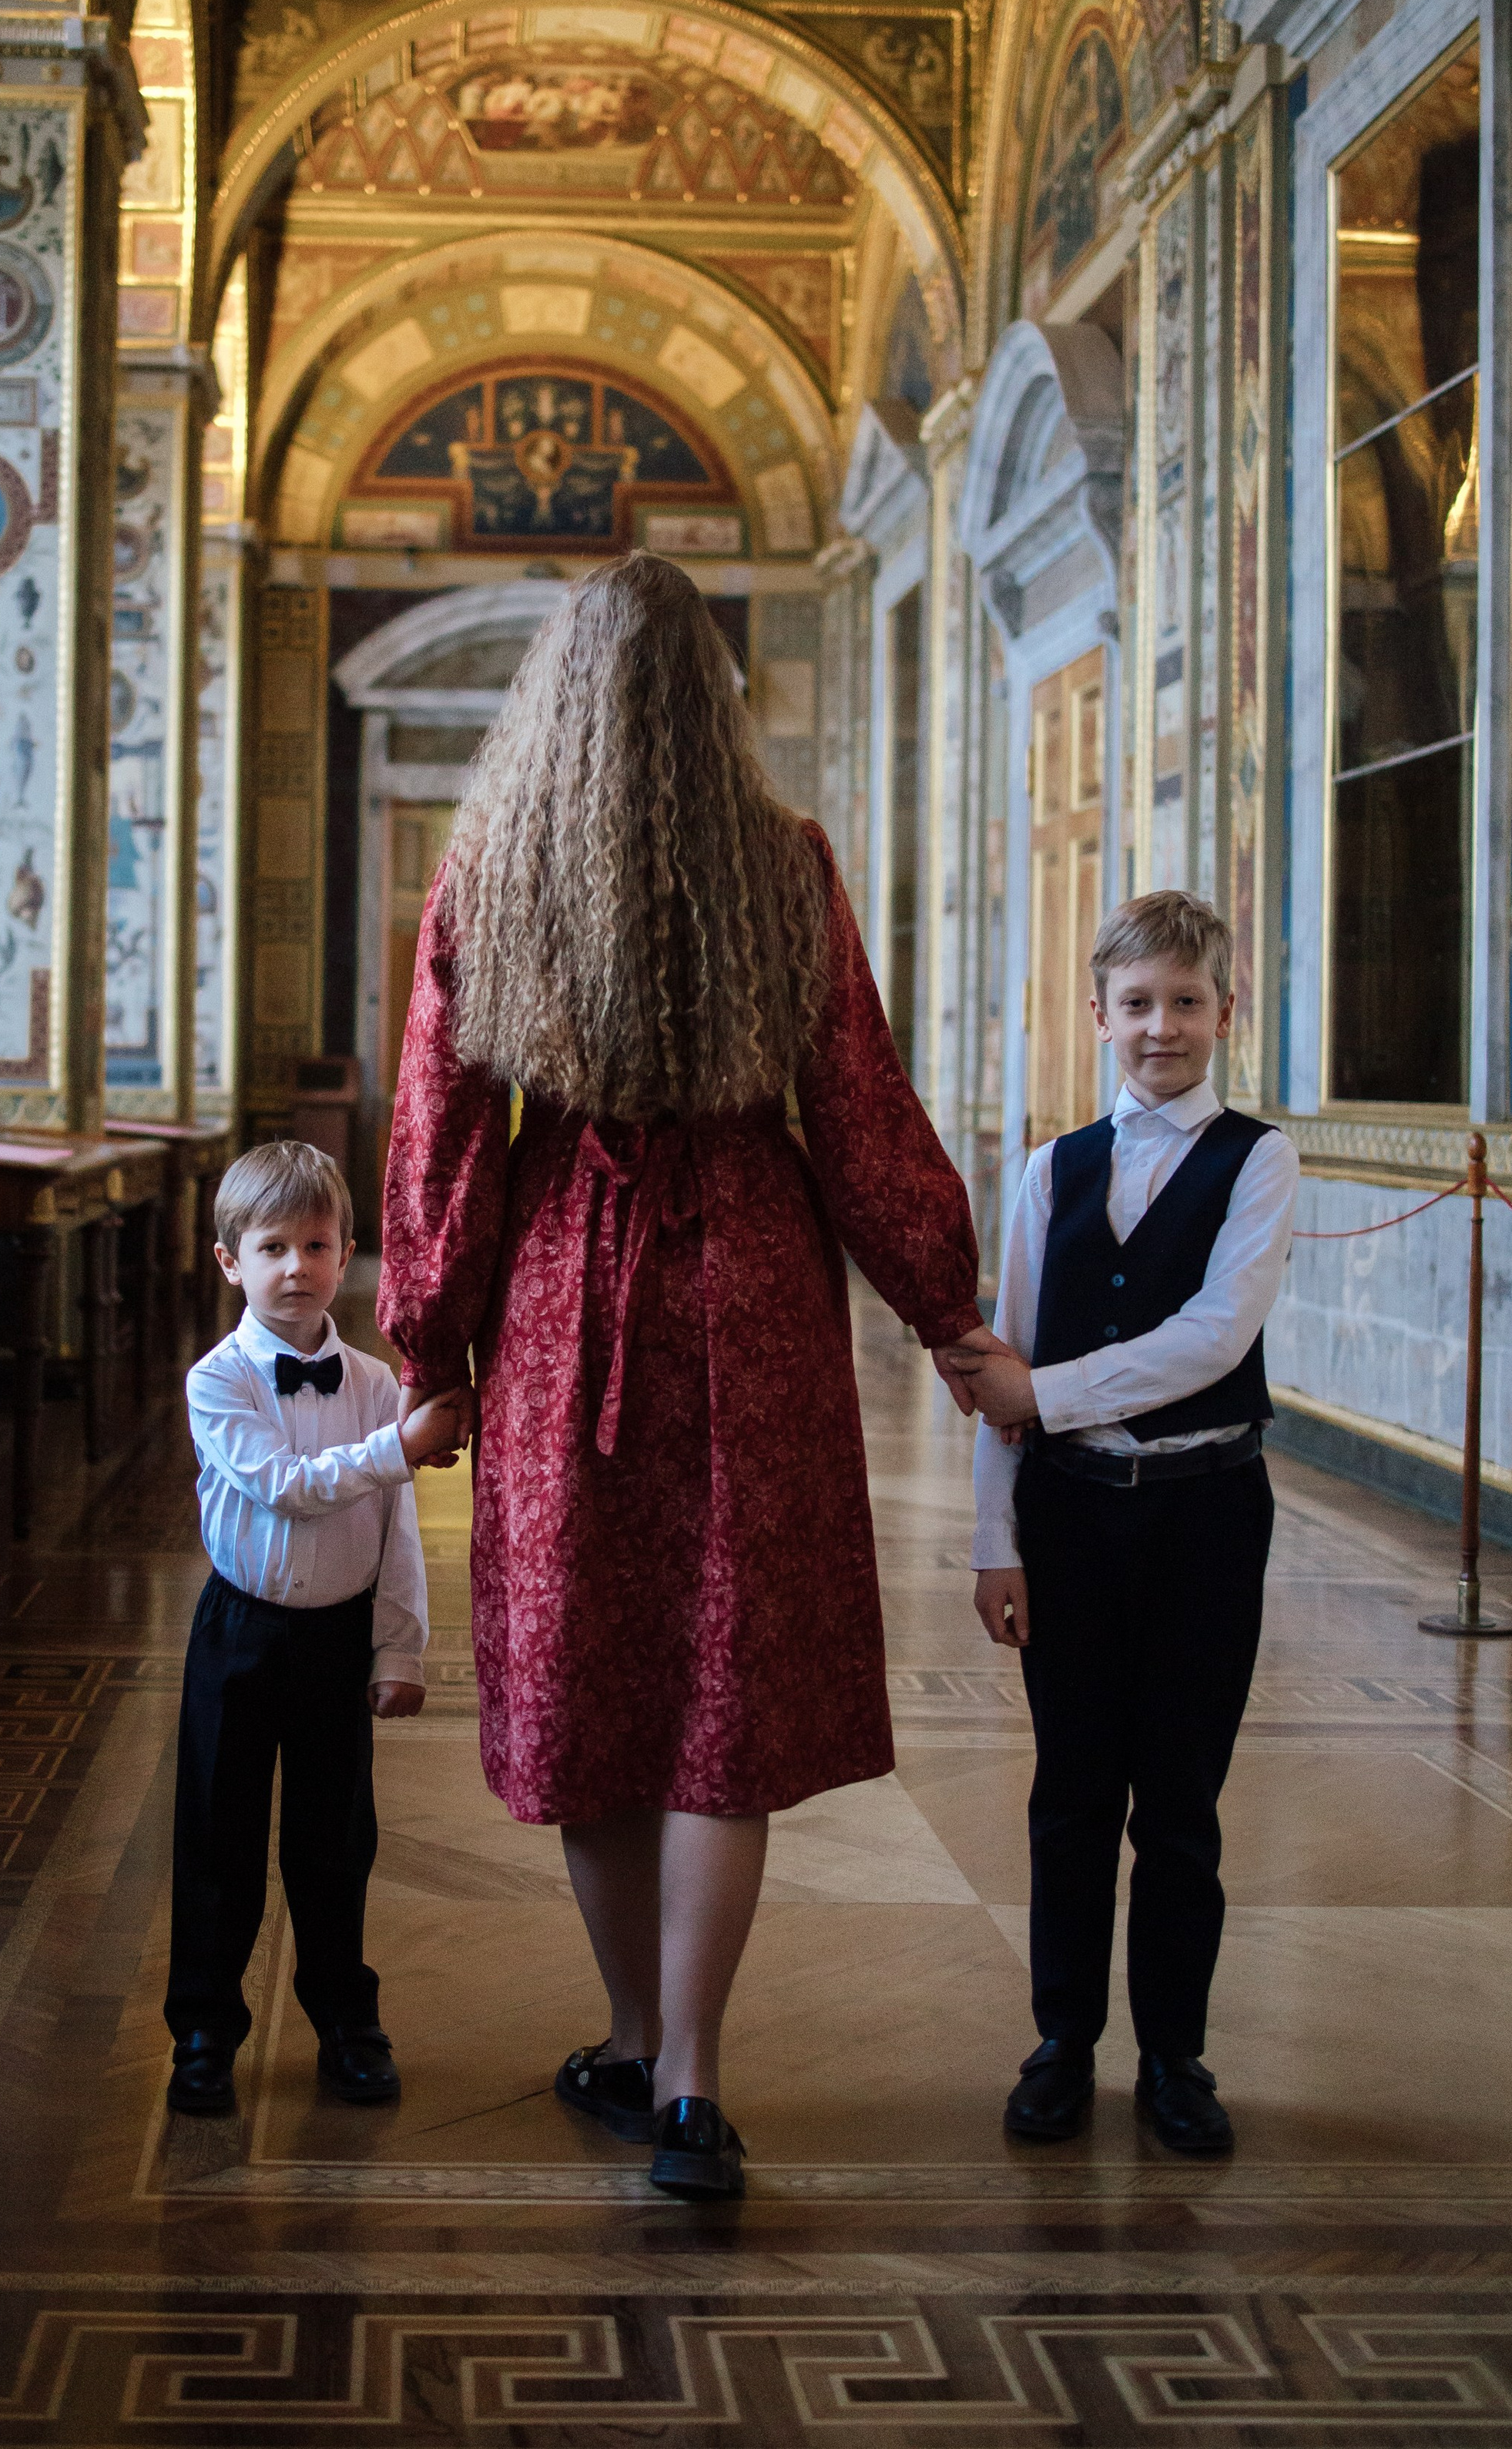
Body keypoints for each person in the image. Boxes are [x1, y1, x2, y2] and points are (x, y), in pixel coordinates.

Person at [377, 554, 982, 2199]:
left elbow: (442, 1137)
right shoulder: (783, 867)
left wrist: (430, 1351)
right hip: (755, 1297)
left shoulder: (494, 867)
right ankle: (697, 2090)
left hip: (574, 1296)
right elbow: (854, 1108)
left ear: (550, 696)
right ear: (714, 700)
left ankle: (634, 2039)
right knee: (718, 1685)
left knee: (599, 1676)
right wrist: (947, 1309)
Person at [940, 891, 1299, 2156]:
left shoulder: (1261, 1159)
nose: (1163, 1028)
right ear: (1098, 1017)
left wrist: (1047, 1391)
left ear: (1225, 1012)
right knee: (1074, 1790)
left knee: (1183, 1802)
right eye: (1137, 1005)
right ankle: (1060, 2043)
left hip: (1208, 1511)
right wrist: (998, 1539)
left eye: (1186, 1002)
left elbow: (1214, 1340)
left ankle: (1176, 2056)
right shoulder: (1054, 1168)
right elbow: (1010, 1357)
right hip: (1074, 1517)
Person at [163, 1141, 470, 2121]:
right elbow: (283, 1490)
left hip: (338, 1640)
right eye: (271, 1247)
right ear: (229, 1262)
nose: (296, 1267)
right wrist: (401, 1448)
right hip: (239, 1634)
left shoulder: (379, 1387)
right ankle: (206, 2032)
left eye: (317, 1244)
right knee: (219, 1836)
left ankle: (348, 2022)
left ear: (346, 1255)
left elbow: (394, 1532)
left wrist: (400, 1648)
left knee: (335, 1843)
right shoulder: (219, 1383)